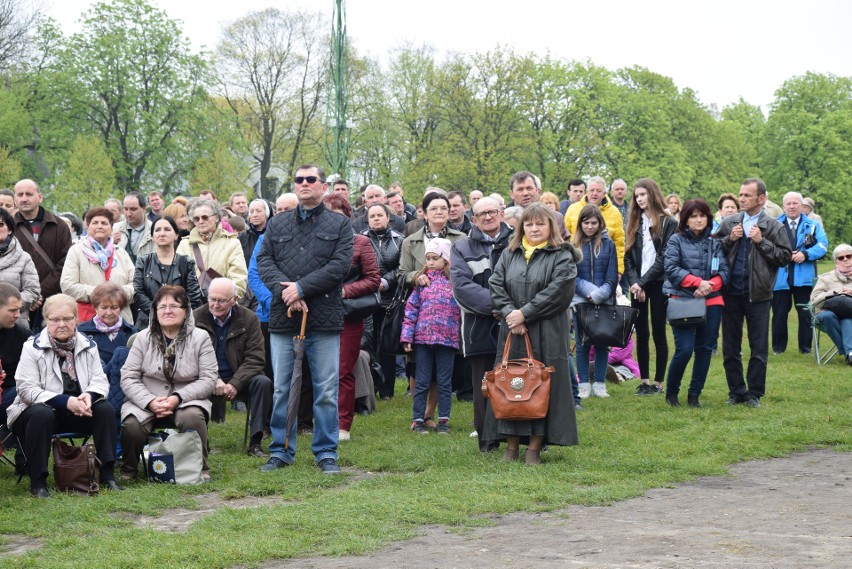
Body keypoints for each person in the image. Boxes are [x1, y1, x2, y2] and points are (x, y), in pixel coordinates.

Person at [257, 163, 353, 474]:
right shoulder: (278, 223)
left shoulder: (339, 226)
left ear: (323, 187)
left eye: (311, 179)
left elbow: (339, 267)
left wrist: (301, 288)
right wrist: (285, 291)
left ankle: (326, 452)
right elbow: (264, 260)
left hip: (324, 317)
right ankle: (281, 450)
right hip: (284, 316)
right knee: (283, 387)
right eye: (299, 179)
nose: (304, 184)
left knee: (325, 388)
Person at [484, 203, 580, 464]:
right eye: (529, 224)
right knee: (511, 382)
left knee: (541, 384)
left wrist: (525, 313)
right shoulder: (510, 253)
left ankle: (534, 448)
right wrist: (511, 315)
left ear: (550, 226)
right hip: (513, 330)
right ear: (521, 227)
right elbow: (496, 284)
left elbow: (558, 291)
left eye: (540, 223)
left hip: (548, 330)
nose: (534, 228)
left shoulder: (561, 255)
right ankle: (511, 446)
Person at [7, 294, 121, 497]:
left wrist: (89, 396)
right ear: (46, 320)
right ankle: (38, 481)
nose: (62, 324)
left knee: (104, 409)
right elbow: (26, 389)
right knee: (41, 414)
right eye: (55, 319)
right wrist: (66, 401)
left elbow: (100, 381)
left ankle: (107, 474)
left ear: (77, 319)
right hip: (38, 415)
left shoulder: (88, 345)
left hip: (79, 411)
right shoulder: (31, 348)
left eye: (68, 318)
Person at [120, 285, 217, 482]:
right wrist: (149, 402)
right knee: (131, 425)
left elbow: (209, 378)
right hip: (146, 397)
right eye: (162, 307)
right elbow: (128, 376)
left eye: (174, 306)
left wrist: (177, 398)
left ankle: (200, 467)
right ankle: (129, 469)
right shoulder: (142, 338)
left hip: (187, 398)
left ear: (186, 311)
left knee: (192, 417)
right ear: (155, 312)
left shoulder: (200, 337)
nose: (167, 311)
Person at [714, 179, 792, 407]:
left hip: (759, 294)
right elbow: (712, 252)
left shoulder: (774, 226)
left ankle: (754, 393)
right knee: (730, 346)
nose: (742, 199)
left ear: (761, 199)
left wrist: (761, 241)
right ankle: (736, 392)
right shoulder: (729, 223)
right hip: (730, 293)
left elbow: (785, 257)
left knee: (758, 348)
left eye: (747, 195)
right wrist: (730, 239)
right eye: (741, 194)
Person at [450, 197, 513, 451]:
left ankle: (516, 435)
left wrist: (512, 311)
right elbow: (462, 287)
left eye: (492, 212)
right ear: (472, 219)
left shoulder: (517, 242)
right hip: (479, 329)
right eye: (481, 214)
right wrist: (500, 307)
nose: (487, 217)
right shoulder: (462, 248)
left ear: (501, 213)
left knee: (518, 380)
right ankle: (488, 439)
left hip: (516, 326)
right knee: (484, 386)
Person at [399, 193, 466, 422]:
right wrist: (417, 277)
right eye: (434, 208)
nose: (439, 212)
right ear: (424, 213)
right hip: (421, 312)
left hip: (447, 318)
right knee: (419, 367)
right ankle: (420, 414)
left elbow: (465, 273)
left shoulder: (461, 238)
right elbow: (401, 273)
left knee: (443, 373)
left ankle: (432, 414)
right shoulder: (411, 241)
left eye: (443, 208)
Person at [194, 277, 273, 457]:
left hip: (241, 377)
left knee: (263, 383)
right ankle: (199, 443)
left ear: (235, 300)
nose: (215, 304)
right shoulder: (195, 317)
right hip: (206, 377)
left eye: (221, 300)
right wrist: (214, 379)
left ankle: (256, 443)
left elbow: (256, 357)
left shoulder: (250, 318)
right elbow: (191, 358)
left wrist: (235, 383)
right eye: (212, 299)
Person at [662, 199, 730, 407]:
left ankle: (694, 395)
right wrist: (698, 282)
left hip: (712, 302)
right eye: (693, 216)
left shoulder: (714, 242)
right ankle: (672, 393)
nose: (698, 220)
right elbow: (671, 268)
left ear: (708, 218)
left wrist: (709, 286)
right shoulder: (676, 240)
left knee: (704, 349)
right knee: (684, 349)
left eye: (702, 215)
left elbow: (725, 272)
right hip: (682, 300)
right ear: (686, 219)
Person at [323, 194, 380, 441]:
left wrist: (345, 291)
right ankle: (319, 420)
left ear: (347, 216)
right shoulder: (316, 242)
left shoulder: (361, 242)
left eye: (336, 214)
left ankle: (343, 424)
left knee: (344, 370)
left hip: (348, 314)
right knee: (320, 370)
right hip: (318, 314)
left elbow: (373, 279)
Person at [623, 178, 677, 395]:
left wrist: (642, 283)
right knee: (641, 333)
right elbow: (627, 257)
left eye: (643, 194)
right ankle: (644, 381)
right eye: (637, 196)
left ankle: (658, 382)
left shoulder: (668, 222)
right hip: (638, 285)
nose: (639, 199)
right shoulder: (635, 221)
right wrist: (635, 283)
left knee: (658, 332)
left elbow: (665, 257)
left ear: (652, 194)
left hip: (658, 284)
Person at [401, 238, 460, 434]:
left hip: (447, 339)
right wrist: (407, 337)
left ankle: (443, 420)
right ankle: (418, 419)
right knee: (422, 381)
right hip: (423, 340)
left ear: (446, 259)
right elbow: (411, 310)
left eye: (435, 258)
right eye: (428, 258)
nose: (431, 262)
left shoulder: (455, 283)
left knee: (444, 382)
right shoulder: (421, 282)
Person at [771, 192, 828, 355]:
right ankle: (778, 348)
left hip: (803, 278)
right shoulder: (774, 224)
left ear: (801, 206)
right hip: (780, 278)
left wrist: (806, 254)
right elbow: (766, 246)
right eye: (788, 203)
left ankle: (805, 348)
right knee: (779, 314)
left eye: (795, 203)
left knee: (805, 314)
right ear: (783, 206)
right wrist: (783, 255)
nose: (792, 206)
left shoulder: (812, 225)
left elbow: (823, 245)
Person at [572, 204, 619, 399]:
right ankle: (583, 384)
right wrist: (590, 292)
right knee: (582, 345)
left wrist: (601, 294)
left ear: (600, 223)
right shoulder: (573, 246)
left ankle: (599, 383)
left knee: (602, 343)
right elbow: (571, 275)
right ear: (580, 224)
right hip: (581, 302)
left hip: (604, 301)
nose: (590, 227)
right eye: (586, 223)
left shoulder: (609, 245)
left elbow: (612, 276)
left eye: (594, 223)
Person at [12, 179, 72, 329]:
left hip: (52, 299)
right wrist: (27, 296)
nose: (24, 198)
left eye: (29, 194)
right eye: (20, 194)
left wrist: (39, 293)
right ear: (14, 198)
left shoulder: (60, 226)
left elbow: (65, 263)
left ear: (40, 197)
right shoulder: (7, 227)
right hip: (18, 301)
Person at [60, 207, 135, 324]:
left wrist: (116, 295)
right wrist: (99, 294)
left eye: (104, 223)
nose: (100, 226)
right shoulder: (76, 251)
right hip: (87, 320)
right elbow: (67, 285)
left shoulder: (121, 253)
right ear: (87, 227)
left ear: (111, 228)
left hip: (121, 319)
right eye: (95, 223)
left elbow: (136, 285)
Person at [361, 203, 405, 399]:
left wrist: (386, 281)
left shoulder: (399, 241)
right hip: (365, 299)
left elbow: (401, 267)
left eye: (380, 215)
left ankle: (387, 391)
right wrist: (369, 282)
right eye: (372, 216)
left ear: (388, 218)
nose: (376, 219)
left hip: (390, 300)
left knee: (386, 345)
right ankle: (370, 386)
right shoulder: (360, 240)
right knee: (367, 343)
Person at [133, 216, 203, 329]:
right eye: (157, 230)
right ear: (152, 236)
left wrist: (175, 314)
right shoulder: (143, 262)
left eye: (167, 229)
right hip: (147, 323)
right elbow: (138, 292)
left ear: (176, 235)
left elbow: (193, 295)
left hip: (181, 324)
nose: (162, 233)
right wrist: (157, 312)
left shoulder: (186, 262)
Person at [176, 198, 248, 299]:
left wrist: (225, 301)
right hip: (192, 305)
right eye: (196, 219)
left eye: (205, 217)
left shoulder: (232, 243)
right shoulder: (185, 244)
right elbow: (177, 278)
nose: (200, 221)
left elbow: (239, 279)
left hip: (222, 304)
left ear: (217, 218)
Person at [565, 176, 625, 275]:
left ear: (604, 194)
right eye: (592, 190)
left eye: (598, 191)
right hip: (577, 265)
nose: (594, 193)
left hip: (604, 267)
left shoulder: (614, 212)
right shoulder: (572, 209)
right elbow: (565, 239)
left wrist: (618, 270)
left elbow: (619, 244)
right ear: (587, 192)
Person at [810, 244, 852, 363]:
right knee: (827, 316)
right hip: (827, 312)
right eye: (841, 258)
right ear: (836, 261)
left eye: (849, 256)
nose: (845, 259)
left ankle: (850, 353)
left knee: (847, 318)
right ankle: (848, 351)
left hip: (850, 313)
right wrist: (836, 291)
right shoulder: (826, 278)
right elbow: (814, 299)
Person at [0, 284, 31, 448]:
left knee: (28, 395)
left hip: (14, 395)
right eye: (12, 310)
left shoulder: (22, 334)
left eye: (19, 310)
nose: (18, 315)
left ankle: (25, 461)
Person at [0, 207, 40, 327]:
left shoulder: (23, 258)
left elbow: (33, 291)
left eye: (1, 224)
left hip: (15, 323)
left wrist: (9, 306)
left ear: (10, 229)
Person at [113, 192, 154, 264]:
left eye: (133, 209)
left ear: (144, 209)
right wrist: (110, 243)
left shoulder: (155, 230)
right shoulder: (114, 228)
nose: (128, 213)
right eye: (125, 209)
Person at [239, 199, 270, 265]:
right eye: (251, 212)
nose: (254, 215)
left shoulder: (273, 235)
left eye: (258, 211)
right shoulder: (242, 237)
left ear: (266, 213)